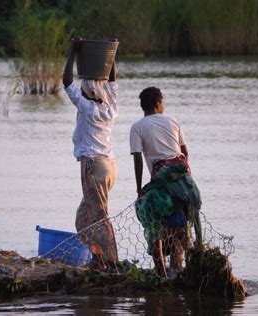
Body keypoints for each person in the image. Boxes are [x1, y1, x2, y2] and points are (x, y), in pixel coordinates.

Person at [130, 87, 202, 278]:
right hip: (182, 182)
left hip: (160, 183)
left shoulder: (137, 127)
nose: (164, 105)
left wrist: (139, 189)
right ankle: (182, 269)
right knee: (181, 227)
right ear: (157, 103)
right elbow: (185, 153)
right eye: (162, 102)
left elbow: (137, 158)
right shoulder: (173, 121)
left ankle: (161, 273)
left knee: (155, 226)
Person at [63, 37, 119, 271]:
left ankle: (109, 262)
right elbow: (112, 80)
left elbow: (66, 81)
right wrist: (109, 58)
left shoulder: (87, 108)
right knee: (83, 217)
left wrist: (73, 52)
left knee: (99, 217)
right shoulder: (111, 106)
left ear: (88, 93)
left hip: (93, 166)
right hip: (109, 166)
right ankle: (98, 257)